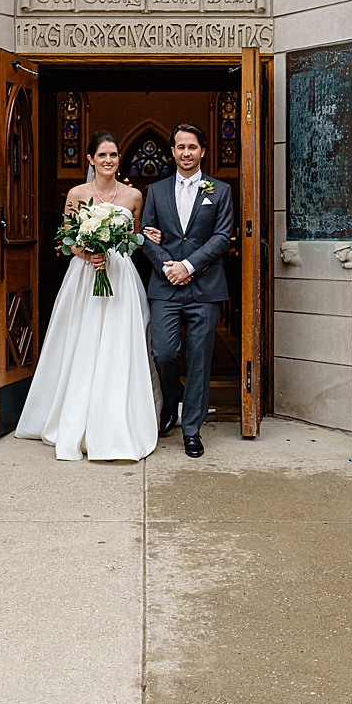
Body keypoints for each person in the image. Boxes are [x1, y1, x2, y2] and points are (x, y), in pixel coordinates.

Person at [14, 131, 158, 462]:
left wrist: (145, 236)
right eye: (103, 155)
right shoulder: (77, 194)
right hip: (85, 275)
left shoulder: (134, 195)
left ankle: (117, 420)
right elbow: (67, 239)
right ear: (91, 159)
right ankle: (78, 417)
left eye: (114, 155)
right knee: (83, 341)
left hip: (120, 276)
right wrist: (87, 253)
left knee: (120, 344)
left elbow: (133, 239)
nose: (109, 160)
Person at [139, 124, 236, 459]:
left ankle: (191, 429)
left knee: (199, 360)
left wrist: (189, 266)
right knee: (163, 352)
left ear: (203, 151)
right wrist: (169, 266)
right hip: (165, 287)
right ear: (172, 151)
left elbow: (222, 238)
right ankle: (170, 398)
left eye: (192, 147)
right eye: (180, 147)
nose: (185, 152)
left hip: (205, 288)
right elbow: (145, 235)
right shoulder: (156, 190)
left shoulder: (220, 191)